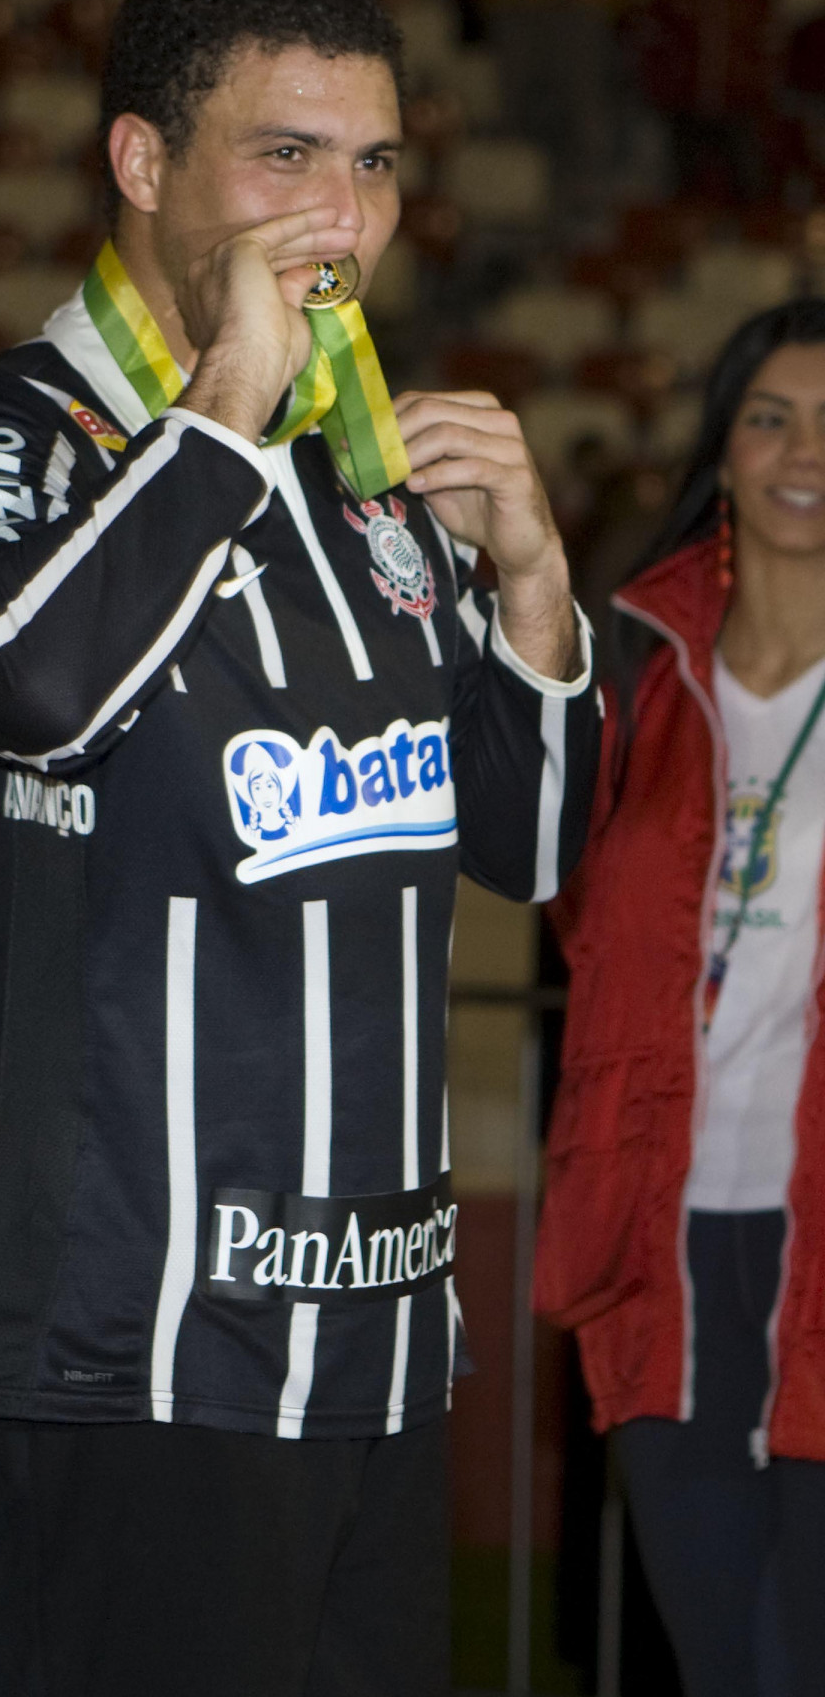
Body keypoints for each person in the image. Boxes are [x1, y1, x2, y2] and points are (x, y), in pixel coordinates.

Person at [0, 0, 600, 1697]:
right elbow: (35, 690)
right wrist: (222, 409)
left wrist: (532, 588)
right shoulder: (4, 437)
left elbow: (528, 847)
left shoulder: (378, 487)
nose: (342, 213)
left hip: (370, 1351)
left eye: (375, 163)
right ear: (143, 163)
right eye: (286, 155)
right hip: (104, 1350)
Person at [535, 299, 825, 1697]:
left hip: (821, 1233)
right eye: (769, 416)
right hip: (661, 1241)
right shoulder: (638, 672)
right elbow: (557, 895)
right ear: (722, 449)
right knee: (725, 1666)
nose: (800, 451)